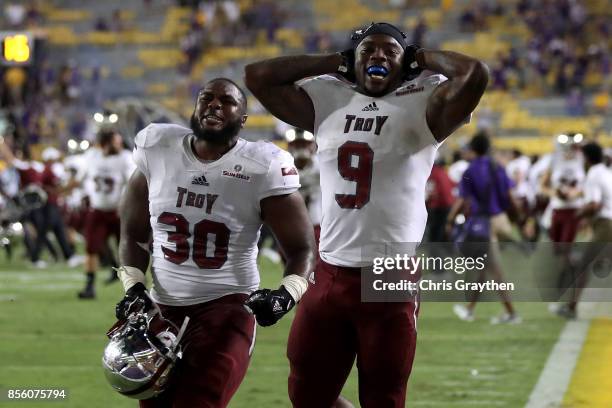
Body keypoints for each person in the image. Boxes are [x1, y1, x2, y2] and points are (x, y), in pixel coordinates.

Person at [245, 22, 488, 407]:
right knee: (307, 394)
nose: (378, 56)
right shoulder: (329, 100)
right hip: (328, 270)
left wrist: (418, 57)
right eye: (367, 51)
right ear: (352, 62)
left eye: (390, 51)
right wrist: (332, 61)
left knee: (384, 397)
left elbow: (475, 73)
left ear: (403, 62)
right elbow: (257, 76)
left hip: (389, 277)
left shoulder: (424, 103)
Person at [114, 78, 315, 407]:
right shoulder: (157, 146)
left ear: (243, 119)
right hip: (161, 308)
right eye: (207, 98)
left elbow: (303, 248)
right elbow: (133, 233)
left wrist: (286, 295)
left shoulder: (261, 165)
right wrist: (134, 287)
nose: (215, 105)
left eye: (228, 101)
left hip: (227, 308)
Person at [447, 133, 521, 324]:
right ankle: (469, 309)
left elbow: (463, 199)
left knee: (494, 271)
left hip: (484, 223)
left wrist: (450, 220)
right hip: (500, 220)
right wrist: (519, 219)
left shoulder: (470, 170)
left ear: (473, 148)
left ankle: (512, 313)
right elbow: (510, 195)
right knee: (483, 267)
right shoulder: (497, 166)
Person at [556, 142, 612, 319]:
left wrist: (579, 215)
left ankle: (571, 307)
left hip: (605, 225)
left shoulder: (594, 174)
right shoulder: (605, 171)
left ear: (587, 158)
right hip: (605, 223)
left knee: (583, 266)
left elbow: (594, 204)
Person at [76, 129, 135, 298]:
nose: (119, 145)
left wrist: (126, 204)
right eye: (115, 142)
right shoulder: (91, 156)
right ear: (104, 143)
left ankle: (135, 289)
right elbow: (81, 178)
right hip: (97, 210)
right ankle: (89, 287)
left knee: (127, 251)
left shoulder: (125, 157)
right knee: (90, 249)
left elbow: (132, 183)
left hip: (119, 212)